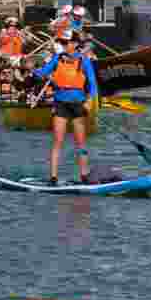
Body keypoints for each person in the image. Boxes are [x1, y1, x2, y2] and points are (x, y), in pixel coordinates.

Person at [33, 30, 99, 185]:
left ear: (75, 44)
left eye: (65, 43)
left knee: (81, 143)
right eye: (61, 42)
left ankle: (84, 176)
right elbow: (42, 73)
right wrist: (32, 69)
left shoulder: (84, 61)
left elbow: (93, 84)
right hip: (60, 104)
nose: (62, 45)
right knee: (57, 141)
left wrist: (89, 102)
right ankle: (53, 177)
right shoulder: (57, 58)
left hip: (78, 105)